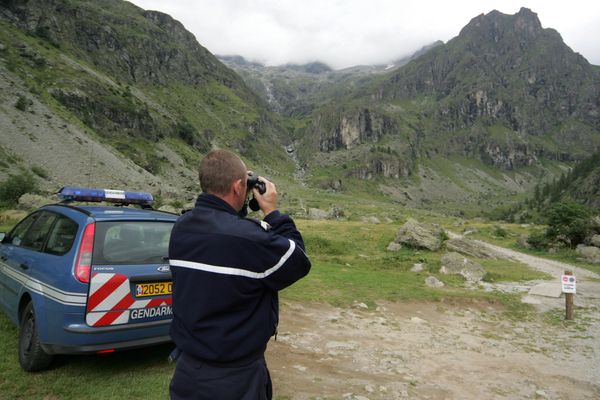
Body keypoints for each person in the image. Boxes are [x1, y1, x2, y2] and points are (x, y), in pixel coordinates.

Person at [168, 149, 311, 400]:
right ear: (237, 188)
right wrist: (272, 212)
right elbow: (298, 260)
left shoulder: (182, 228)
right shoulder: (248, 238)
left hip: (188, 372)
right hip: (235, 379)